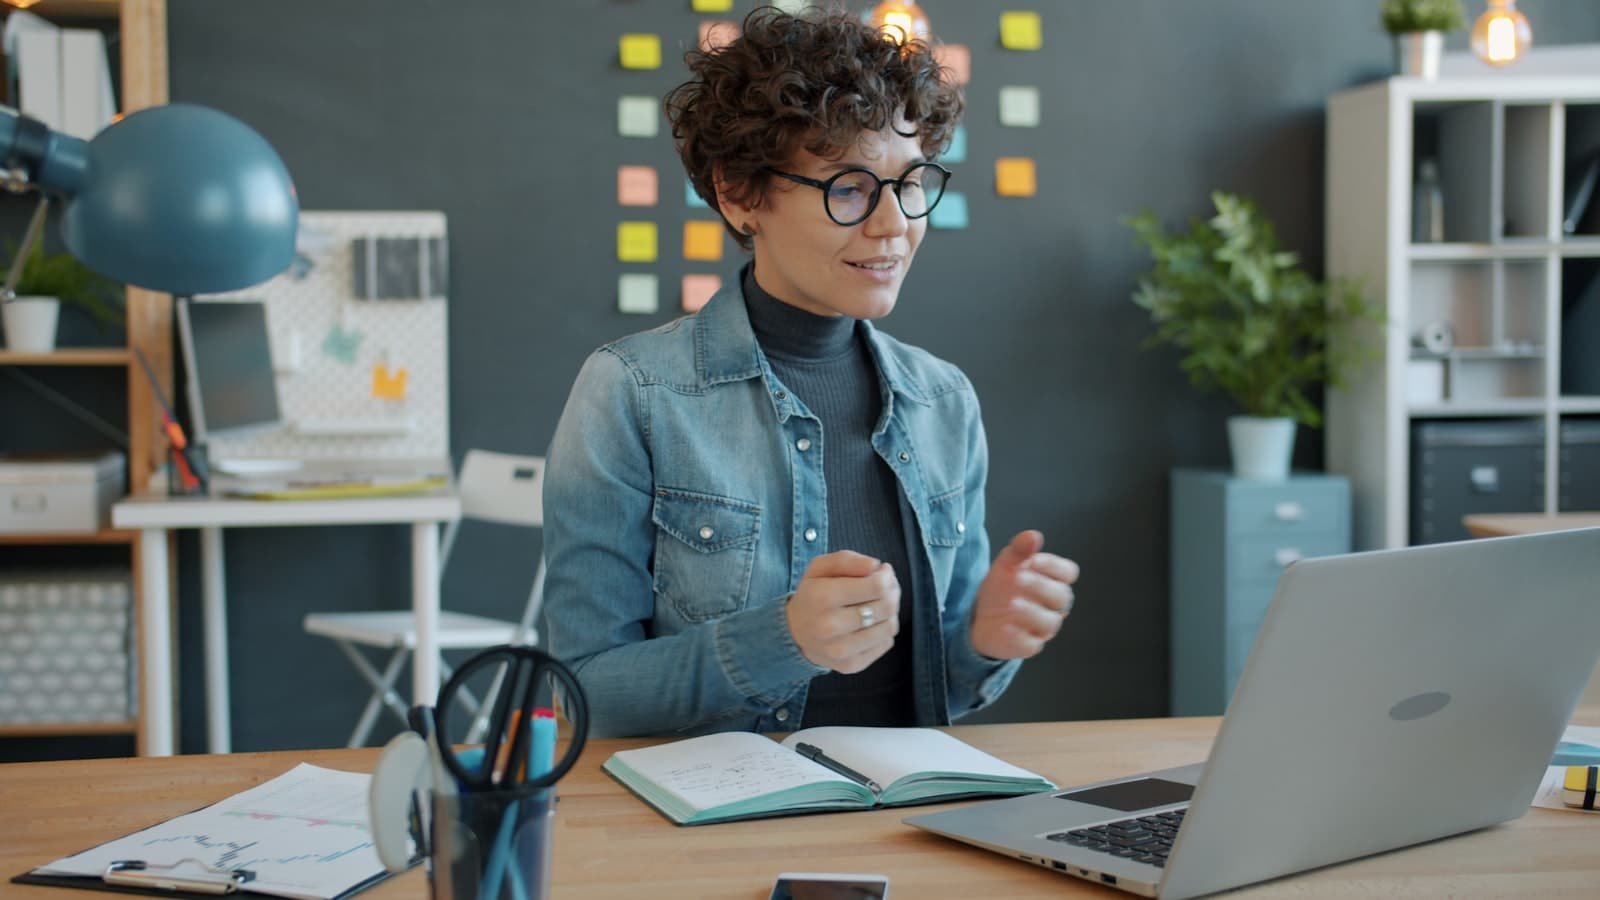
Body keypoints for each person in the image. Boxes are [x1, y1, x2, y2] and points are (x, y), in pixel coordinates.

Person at [543, 6, 1078, 738]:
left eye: (911, 182)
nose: (893, 225)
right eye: (851, 187)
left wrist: (985, 641)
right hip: (712, 836)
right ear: (740, 193)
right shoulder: (634, 393)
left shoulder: (942, 401)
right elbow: (586, 693)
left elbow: (934, 693)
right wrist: (782, 641)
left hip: (902, 821)